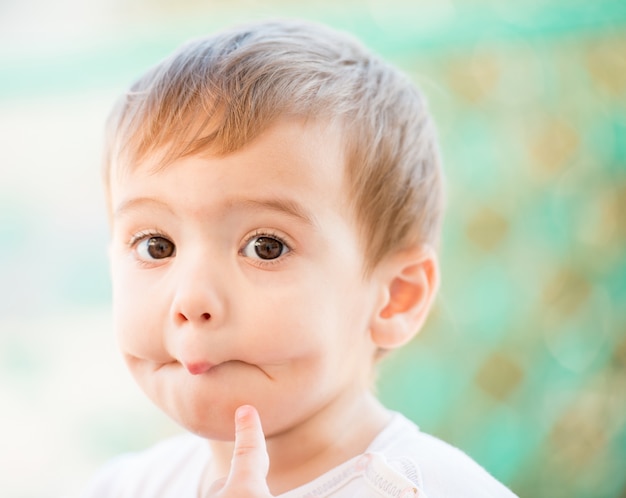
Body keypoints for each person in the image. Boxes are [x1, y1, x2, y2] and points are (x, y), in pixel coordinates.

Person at [83, 18, 518, 497]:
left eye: (266, 247)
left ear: (394, 296)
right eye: (155, 245)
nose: (192, 298)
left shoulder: (429, 489)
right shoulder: (124, 486)